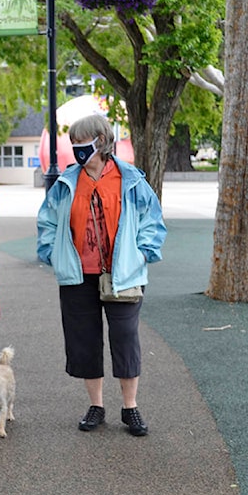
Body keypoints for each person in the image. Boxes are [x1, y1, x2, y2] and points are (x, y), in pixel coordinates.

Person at [36, 115, 166, 436]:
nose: (79, 149)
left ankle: (130, 408)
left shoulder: (130, 179)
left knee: (125, 339)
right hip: (78, 276)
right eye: (74, 143)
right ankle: (96, 406)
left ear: (102, 142)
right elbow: (48, 222)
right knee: (84, 340)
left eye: (84, 143)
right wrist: (52, 253)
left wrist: (143, 252)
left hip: (123, 274)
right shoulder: (67, 182)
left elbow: (151, 218)